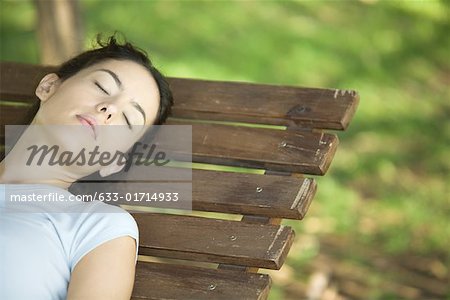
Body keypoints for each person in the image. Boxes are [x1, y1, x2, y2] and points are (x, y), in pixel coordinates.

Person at [0, 34, 173, 299]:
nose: (109, 108)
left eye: (128, 120)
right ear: (49, 87)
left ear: (115, 162)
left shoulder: (99, 226)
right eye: (103, 87)